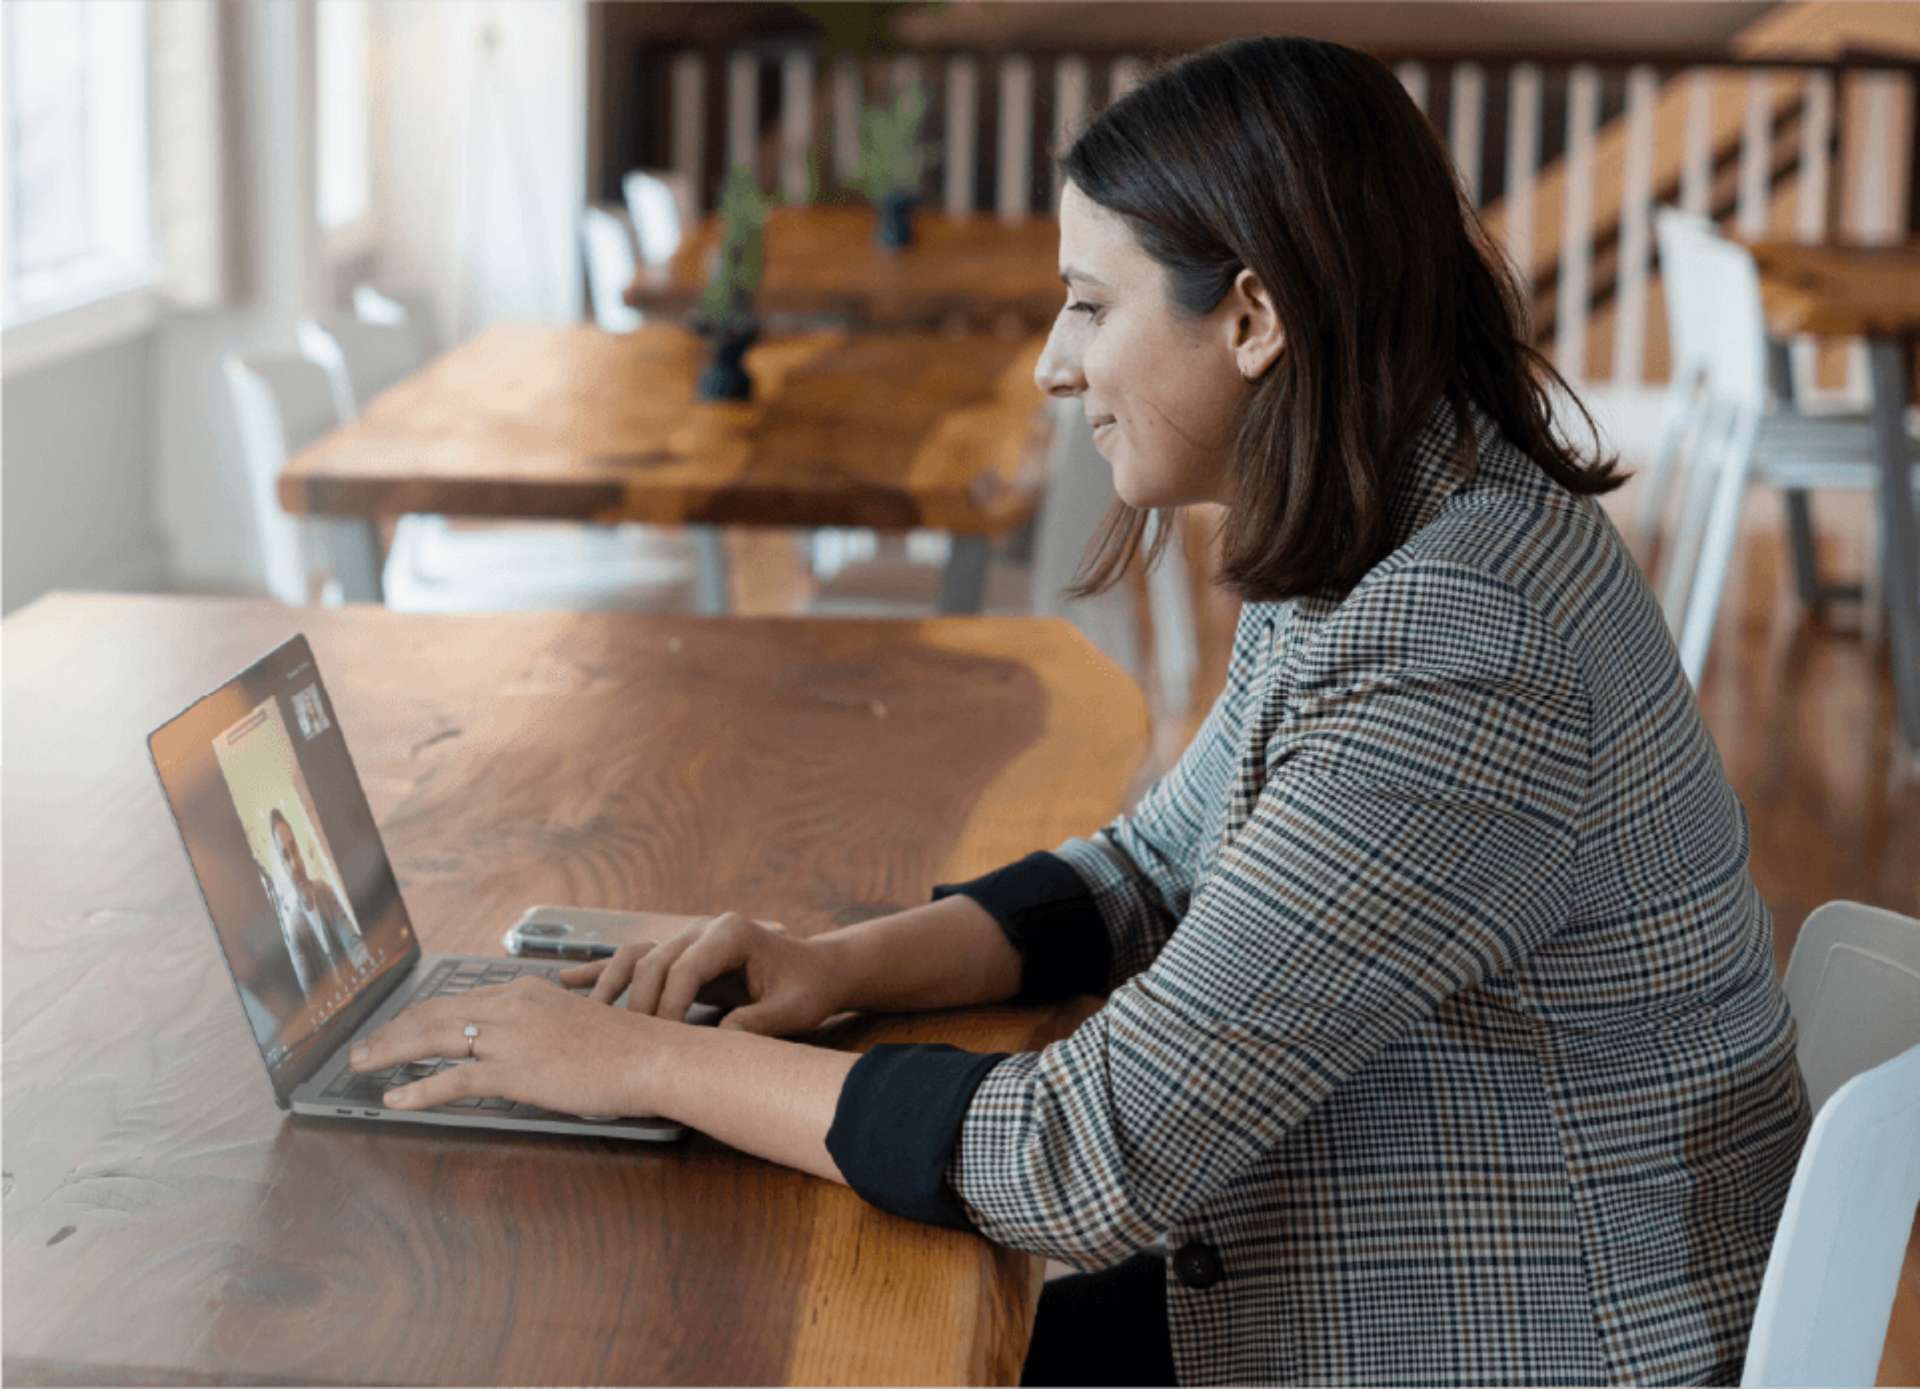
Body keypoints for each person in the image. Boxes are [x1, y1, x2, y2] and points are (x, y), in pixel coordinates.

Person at [349, 35, 1810, 1387]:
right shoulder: (1396, 517)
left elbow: (1088, 1155)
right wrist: (832, 963)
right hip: (1397, 1277)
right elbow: (1153, 866)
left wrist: (643, 1065)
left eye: (1092, 306)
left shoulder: (1465, 636)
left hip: (1535, 1342)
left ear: (1252, 318)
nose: (1055, 362)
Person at [269, 806, 370, 976]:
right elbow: (310, 993)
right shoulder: (295, 928)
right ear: (282, 866)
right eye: (286, 856)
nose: (294, 864)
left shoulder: (323, 891)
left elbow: (352, 942)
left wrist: (370, 966)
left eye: (294, 850)